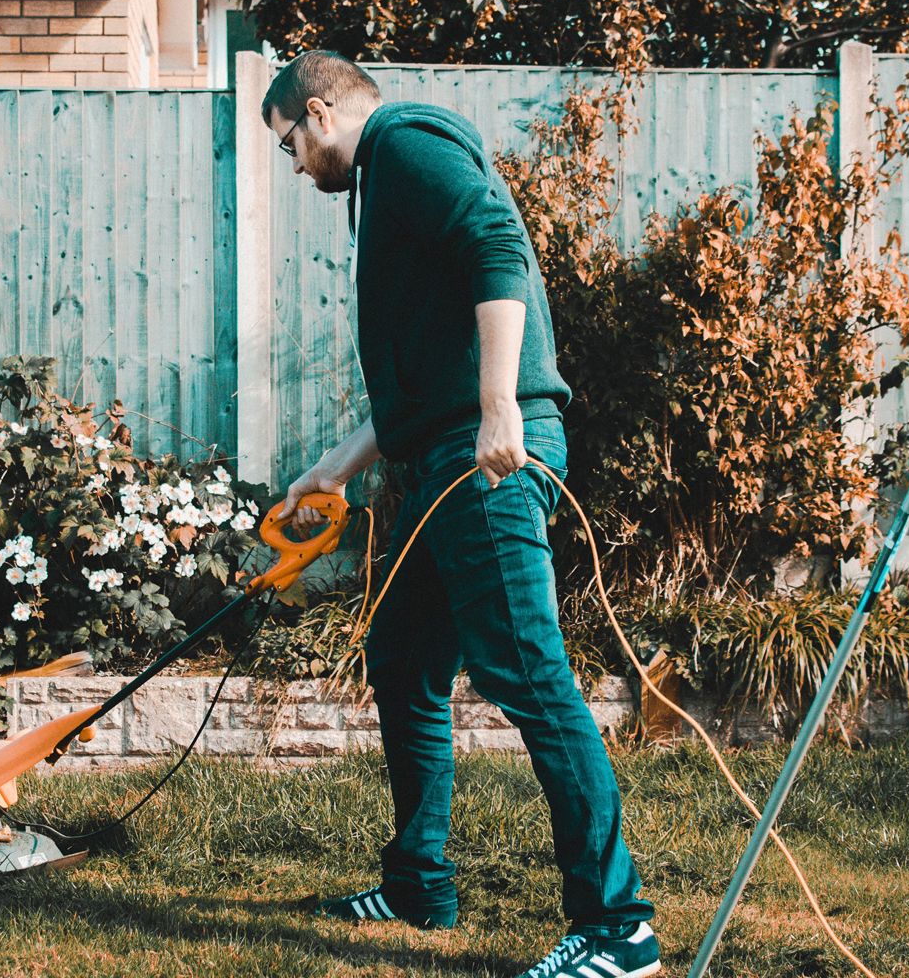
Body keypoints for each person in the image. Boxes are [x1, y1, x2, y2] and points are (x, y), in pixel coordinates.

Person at [264, 50, 659, 978]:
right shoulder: (384, 182)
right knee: (403, 658)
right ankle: (418, 884)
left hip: (485, 461)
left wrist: (498, 405)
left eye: (289, 145)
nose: (295, 167)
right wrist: (333, 470)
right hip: (448, 455)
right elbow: (423, 380)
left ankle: (619, 930)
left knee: (527, 673)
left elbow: (497, 245)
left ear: (319, 114)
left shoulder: (405, 140)